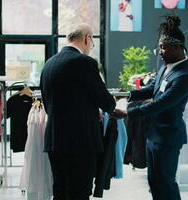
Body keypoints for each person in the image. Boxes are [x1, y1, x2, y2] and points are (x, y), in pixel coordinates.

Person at [113, 15, 188, 200]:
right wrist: (127, 94)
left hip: (167, 137)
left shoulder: (184, 76)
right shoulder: (167, 67)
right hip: (153, 134)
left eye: (163, 47)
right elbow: (152, 90)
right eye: (159, 48)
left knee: (166, 183)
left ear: (177, 47)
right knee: (154, 182)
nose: (160, 52)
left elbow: (161, 103)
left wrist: (127, 112)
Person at [40, 24, 116, 200]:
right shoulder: (84, 62)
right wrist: (112, 107)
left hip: (54, 140)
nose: (90, 48)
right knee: (79, 193)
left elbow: (50, 103)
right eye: (92, 43)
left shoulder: (49, 64)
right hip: (80, 142)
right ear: (87, 38)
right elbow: (104, 99)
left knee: (60, 191)